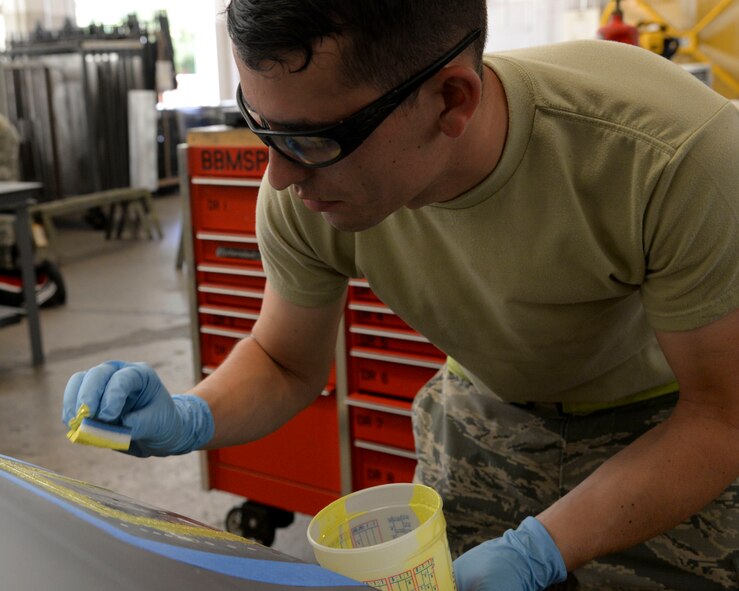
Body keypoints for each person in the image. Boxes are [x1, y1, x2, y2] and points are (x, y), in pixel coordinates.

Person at [62, 1, 739, 589]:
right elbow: (284, 360)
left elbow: (719, 416)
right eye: (260, 123)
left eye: (310, 137)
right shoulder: (305, 180)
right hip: (481, 418)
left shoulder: (669, 155)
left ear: (451, 100)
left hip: (664, 431)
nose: (277, 173)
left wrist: (543, 547)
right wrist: (189, 415)